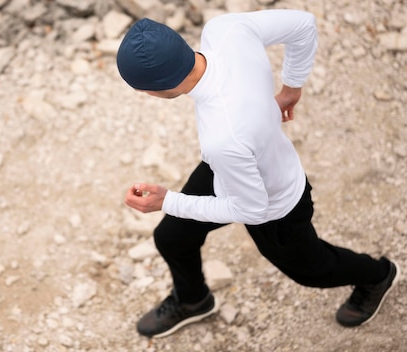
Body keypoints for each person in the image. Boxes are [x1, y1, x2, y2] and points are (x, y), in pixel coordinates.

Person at [115, 9, 400, 338]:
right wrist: (292, 86)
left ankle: (377, 274)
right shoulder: (224, 30)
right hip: (234, 167)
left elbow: (252, 208)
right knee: (172, 237)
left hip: (277, 200)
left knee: (312, 269)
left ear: (160, 87)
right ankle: (193, 301)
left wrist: (168, 201)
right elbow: (303, 25)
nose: (145, 95)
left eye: (142, 90)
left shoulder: (223, 138)